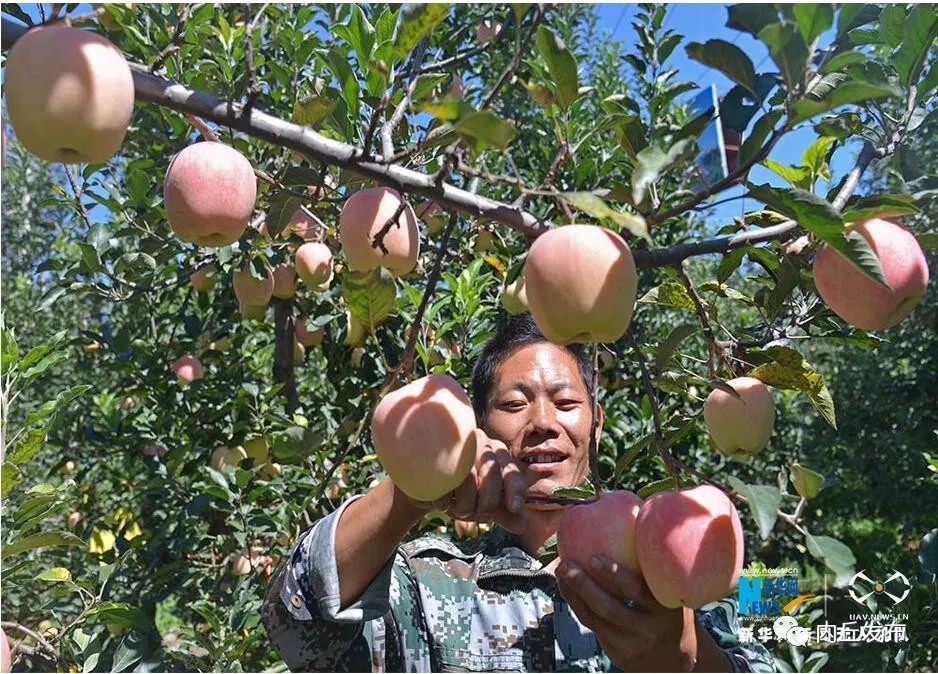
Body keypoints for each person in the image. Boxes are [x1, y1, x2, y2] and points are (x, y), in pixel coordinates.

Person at [262, 315, 777, 672]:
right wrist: (416, 487)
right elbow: (295, 624)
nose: (543, 422)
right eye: (513, 405)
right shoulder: (427, 583)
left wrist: (686, 661)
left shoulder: (679, 558)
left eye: (566, 402)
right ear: (479, 427)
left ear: (596, 423)